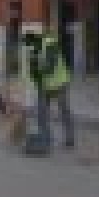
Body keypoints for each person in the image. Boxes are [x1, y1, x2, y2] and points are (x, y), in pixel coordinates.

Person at [30, 23, 75, 151]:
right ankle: (45, 137)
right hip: (45, 84)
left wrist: (38, 71)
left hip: (59, 83)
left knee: (63, 109)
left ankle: (69, 137)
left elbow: (50, 65)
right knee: (42, 111)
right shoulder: (36, 46)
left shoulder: (50, 44)